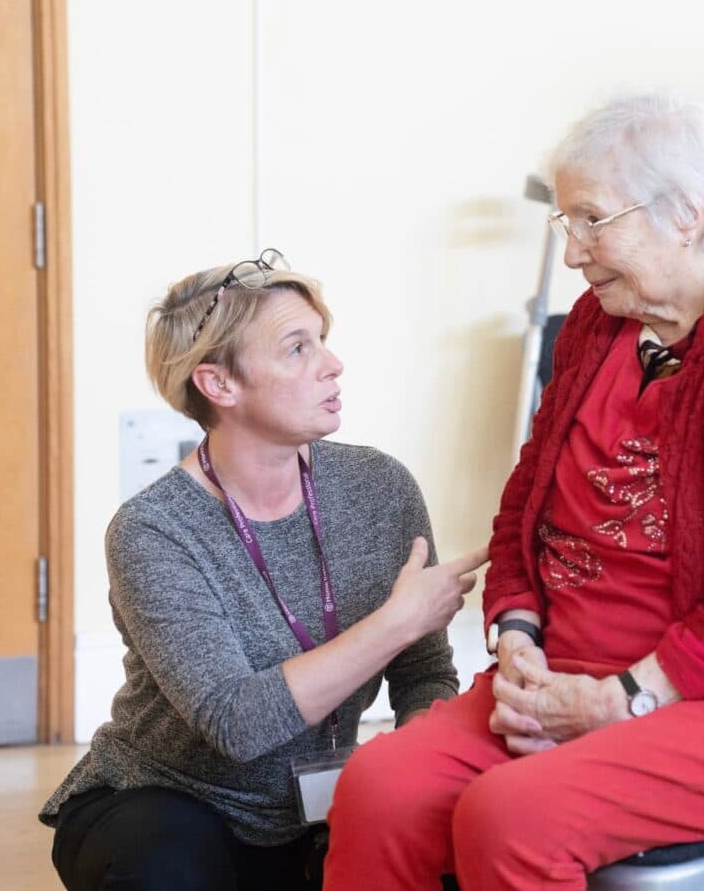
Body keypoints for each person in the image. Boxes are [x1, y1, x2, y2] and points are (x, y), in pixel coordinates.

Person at [324, 92, 704, 891]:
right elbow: (527, 507)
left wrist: (622, 699)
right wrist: (516, 639)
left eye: (592, 220)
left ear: (687, 213)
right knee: (380, 790)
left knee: (511, 816)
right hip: (562, 671)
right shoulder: (601, 322)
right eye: (567, 224)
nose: (575, 253)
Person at [39, 249, 487, 891]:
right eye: (297, 349)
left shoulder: (379, 488)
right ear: (218, 384)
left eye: (322, 341)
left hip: (326, 806)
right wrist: (395, 623)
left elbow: (425, 675)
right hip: (173, 800)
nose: (333, 364)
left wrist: (407, 774)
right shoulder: (153, 530)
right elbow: (236, 722)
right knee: (164, 869)